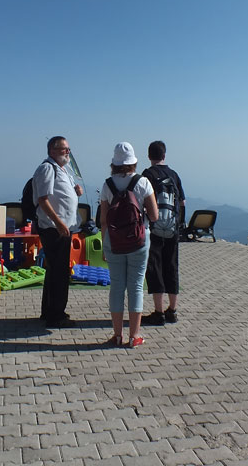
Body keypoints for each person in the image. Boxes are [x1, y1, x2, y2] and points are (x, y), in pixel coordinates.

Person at [100, 142, 158, 348]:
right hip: (139, 241)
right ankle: (134, 336)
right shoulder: (143, 183)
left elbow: (104, 220)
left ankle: (117, 336)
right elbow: (154, 215)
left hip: (113, 242)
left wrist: (105, 242)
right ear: (133, 161)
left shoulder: (107, 184)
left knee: (116, 287)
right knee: (135, 287)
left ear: (114, 163)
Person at [32, 136, 82, 328]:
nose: (67, 152)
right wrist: (59, 223)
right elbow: (43, 200)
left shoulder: (63, 169)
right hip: (54, 229)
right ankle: (56, 315)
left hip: (62, 228)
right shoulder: (47, 168)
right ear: (52, 151)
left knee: (55, 271)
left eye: (68, 149)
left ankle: (50, 311)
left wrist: (75, 192)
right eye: (63, 149)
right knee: (59, 273)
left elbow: (59, 195)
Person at [141, 140, 185, 326]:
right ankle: (172, 310)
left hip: (155, 228)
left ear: (149, 156)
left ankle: (158, 312)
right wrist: (179, 224)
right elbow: (182, 202)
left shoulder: (147, 175)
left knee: (155, 268)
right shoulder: (174, 175)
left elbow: (142, 201)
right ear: (164, 155)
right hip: (173, 228)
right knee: (171, 266)